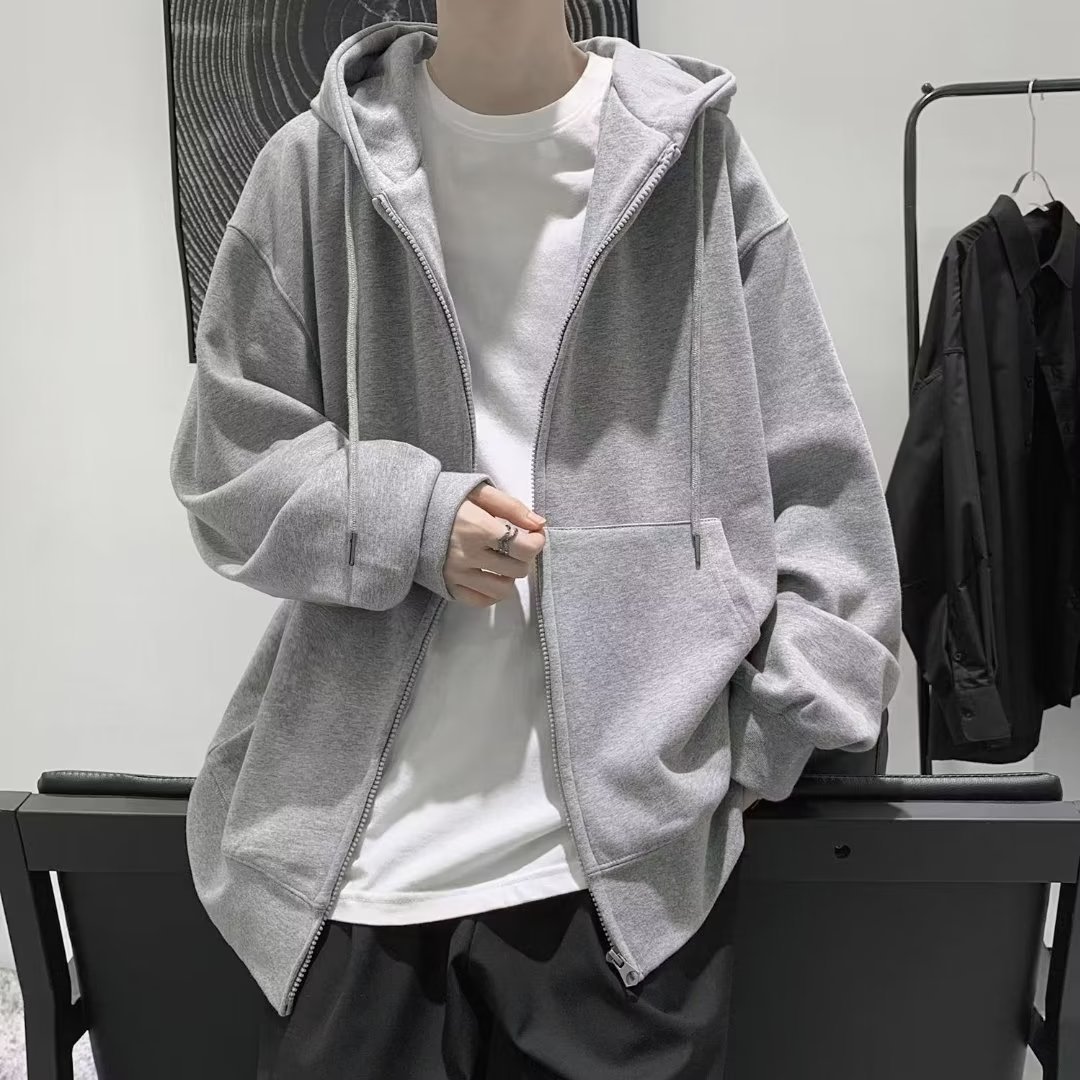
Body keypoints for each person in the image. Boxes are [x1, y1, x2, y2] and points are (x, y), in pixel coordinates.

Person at [169, 4, 902, 1078]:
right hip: (361, 870)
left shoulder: (694, 161)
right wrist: (414, 519)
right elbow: (227, 464)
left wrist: (763, 737)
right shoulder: (313, 168)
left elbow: (822, 492)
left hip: (626, 882)